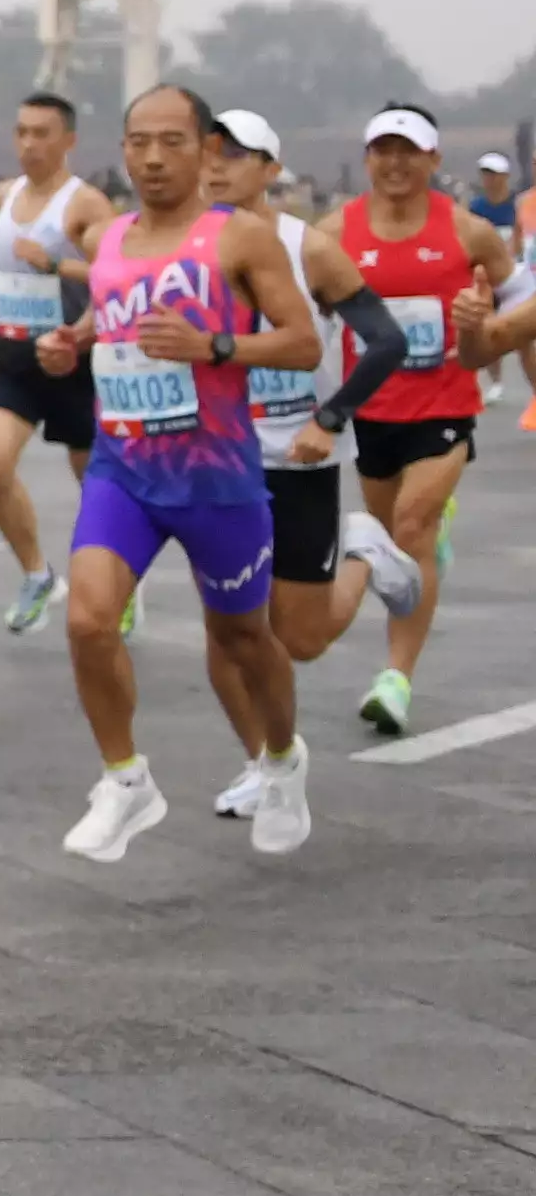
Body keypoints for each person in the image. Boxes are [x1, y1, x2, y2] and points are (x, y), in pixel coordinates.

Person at [39, 86, 324, 859]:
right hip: (123, 467)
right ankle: (126, 782)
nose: (153, 157)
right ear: (123, 148)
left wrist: (216, 349)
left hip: (216, 478)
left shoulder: (240, 239)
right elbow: (114, 320)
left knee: (243, 638)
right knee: (88, 620)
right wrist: (72, 341)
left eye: (172, 140)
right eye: (139, 141)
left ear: (206, 151)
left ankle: (281, 759)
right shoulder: (108, 236)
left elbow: (304, 343)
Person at [200, 111, 421, 815]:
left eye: (236, 156)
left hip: (298, 458)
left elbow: (385, 341)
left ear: (271, 169)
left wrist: (329, 419)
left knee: (300, 639)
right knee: (227, 626)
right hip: (218, 462)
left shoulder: (309, 249)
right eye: (210, 154)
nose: (216, 168)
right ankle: (261, 764)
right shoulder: (185, 247)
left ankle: (361, 549)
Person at [330, 105, 514, 739]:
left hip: (443, 407)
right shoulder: (335, 233)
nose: (396, 162)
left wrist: (481, 323)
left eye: (409, 150)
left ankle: (396, 678)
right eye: (383, 149)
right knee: (387, 534)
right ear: (367, 158)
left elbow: (514, 311)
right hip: (370, 414)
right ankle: (427, 536)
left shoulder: (468, 233)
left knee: (411, 525)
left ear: (435, 160)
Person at [0, 92, 112, 631]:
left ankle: (123, 580)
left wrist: (58, 265)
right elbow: (11, 264)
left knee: (95, 484)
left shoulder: (86, 204)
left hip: (71, 356)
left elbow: (116, 281)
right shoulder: (9, 196)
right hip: (13, 354)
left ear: (69, 140)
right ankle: (37, 575)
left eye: (42, 133)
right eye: (22, 132)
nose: (30, 144)